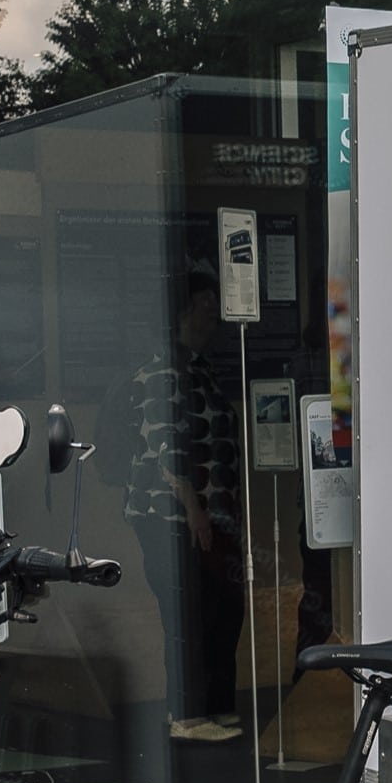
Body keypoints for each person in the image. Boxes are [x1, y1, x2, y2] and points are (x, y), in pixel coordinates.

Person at [118, 266, 246, 743]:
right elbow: (166, 444)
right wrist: (193, 509)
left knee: (223, 609)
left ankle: (217, 705)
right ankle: (186, 716)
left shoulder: (199, 368)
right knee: (186, 614)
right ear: (181, 314)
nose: (213, 319)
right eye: (205, 309)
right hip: (168, 517)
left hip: (211, 516)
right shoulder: (158, 372)